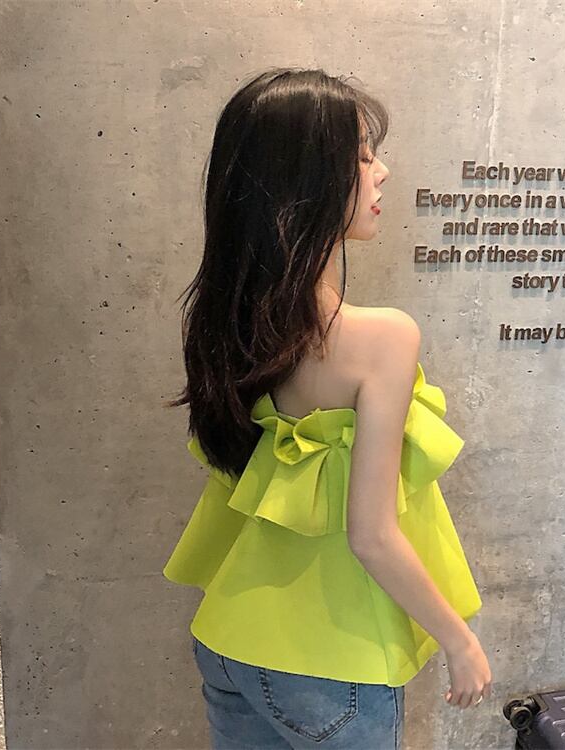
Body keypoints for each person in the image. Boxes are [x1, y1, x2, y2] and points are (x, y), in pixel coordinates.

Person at [162, 67, 492, 749]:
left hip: (229, 640)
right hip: (332, 664)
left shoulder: (228, 327)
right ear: (304, 183)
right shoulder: (382, 339)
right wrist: (458, 640)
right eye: (363, 158)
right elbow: (370, 535)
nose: (382, 173)